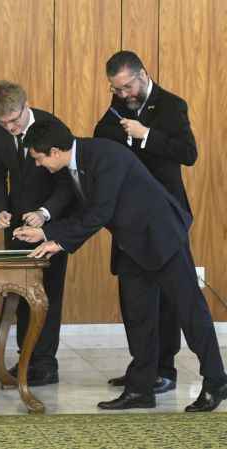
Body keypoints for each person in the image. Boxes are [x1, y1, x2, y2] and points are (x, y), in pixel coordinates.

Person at [14, 120, 227, 412]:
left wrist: (57, 241)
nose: (38, 165)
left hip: (161, 236)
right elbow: (77, 204)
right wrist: (45, 231)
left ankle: (216, 381)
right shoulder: (74, 164)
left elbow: (100, 212)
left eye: (38, 158)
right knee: (138, 317)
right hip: (131, 245)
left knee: (189, 311)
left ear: (54, 151)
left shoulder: (105, 156)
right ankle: (140, 389)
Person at [93, 50, 198, 394]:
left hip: (165, 215)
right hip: (129, 220)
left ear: (142, 74)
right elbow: (100, 138)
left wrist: (145, 134)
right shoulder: (117, 105)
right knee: (133, 297)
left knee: (167, 296)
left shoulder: (171, 105)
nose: (121, 95)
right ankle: (142, 367)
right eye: (116, 89)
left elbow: (188, 153)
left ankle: (164, 368)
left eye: (125, 87)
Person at [0, 81, 75, 386]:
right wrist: (1, 209)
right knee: (23, 293)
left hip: (51, 224)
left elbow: (67, 183)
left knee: (47, 294)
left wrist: (45, 214)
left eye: (15, 120)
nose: (10, 128)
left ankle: (46, 364)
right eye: (4, 122)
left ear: (27, 106)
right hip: (17, 225)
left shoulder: (52, 126)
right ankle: (27, 358)